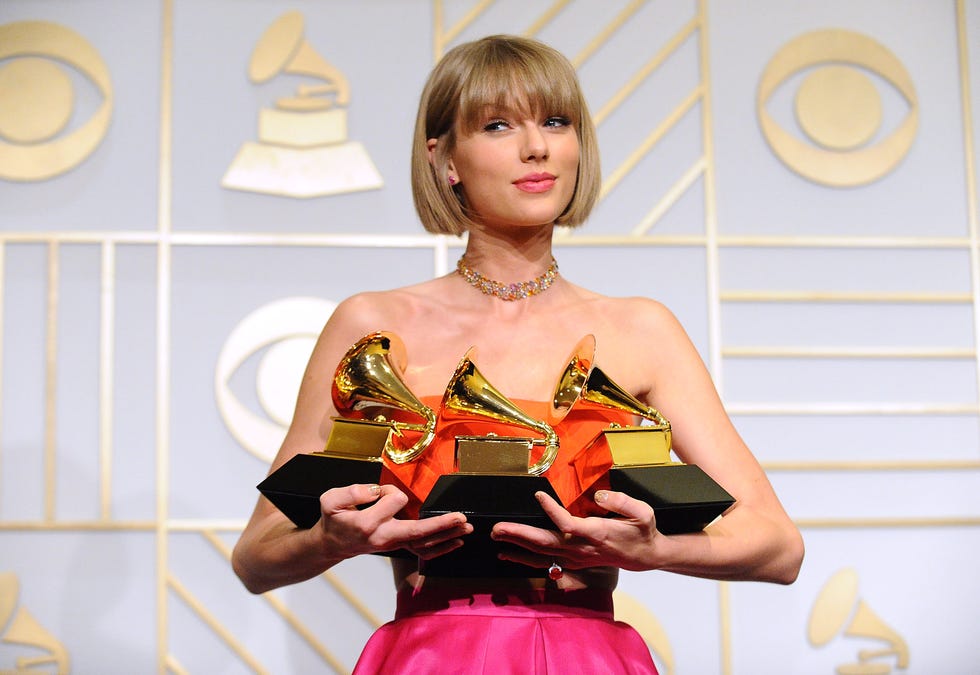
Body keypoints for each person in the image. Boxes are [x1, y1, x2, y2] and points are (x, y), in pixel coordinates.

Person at [232, 34, 804, 674]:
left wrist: (653, 549)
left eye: (556, 122)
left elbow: (778, 548)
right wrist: (327, 540)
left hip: (584, 654)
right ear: (444, 158)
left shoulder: (641, 329)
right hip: (428, 656)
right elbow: (257, 557)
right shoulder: (372, 326)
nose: (537, 146)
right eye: (498, 125)